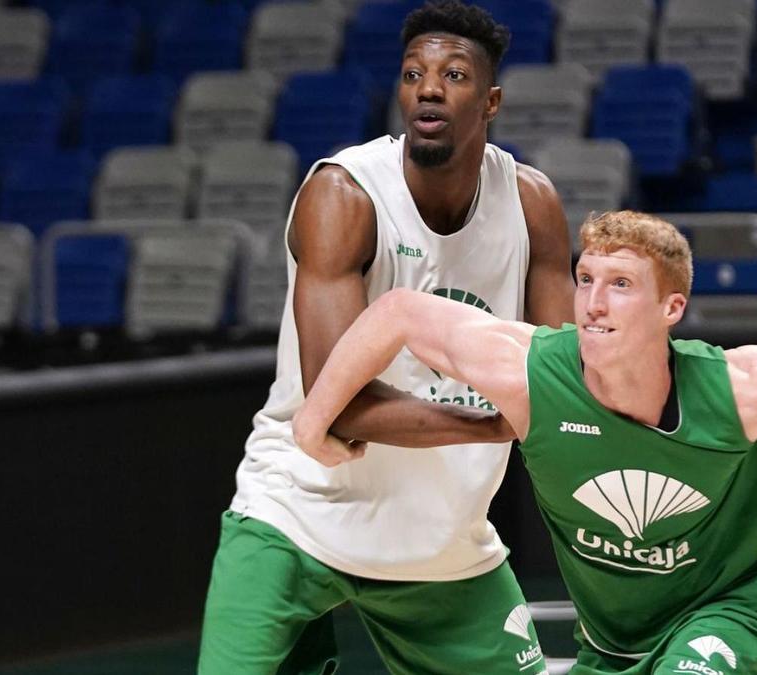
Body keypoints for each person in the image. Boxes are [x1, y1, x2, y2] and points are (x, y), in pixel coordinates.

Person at [293, 210, 757, 675]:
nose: (594, 301)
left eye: (622, 284)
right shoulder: (531, 373)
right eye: (586, 279)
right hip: (611, 641)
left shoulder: (739, 391)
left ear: (672, 307)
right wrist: (312, 420)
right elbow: (397, 312)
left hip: (734, 609)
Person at [198, 1, 575, 672]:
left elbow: (562, 377)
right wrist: (496, 422)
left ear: (491, 101)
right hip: (297, 515)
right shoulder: (344, 196)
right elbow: (340, 404)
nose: (429, 87)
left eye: (454, 75)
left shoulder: (531, 203)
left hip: (443, 537)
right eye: (412, 73)